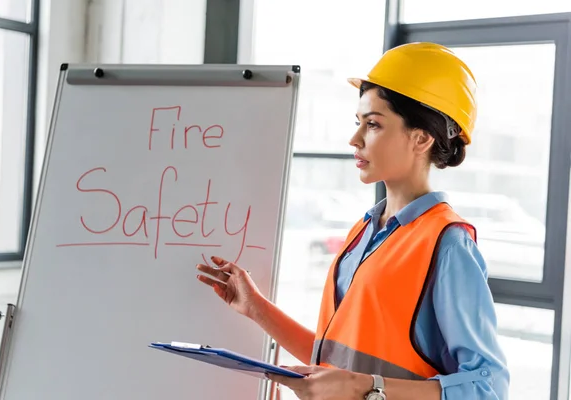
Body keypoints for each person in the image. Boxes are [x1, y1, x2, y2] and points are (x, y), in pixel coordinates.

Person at [196, 42, 510, 400]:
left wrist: (367, 388)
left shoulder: (448, 243)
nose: (355, 139)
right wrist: (257, 309)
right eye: (358, 123)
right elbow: (337, 361)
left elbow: (488, 388)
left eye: (373, 124)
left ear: (421, 137)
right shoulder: (364, 231)